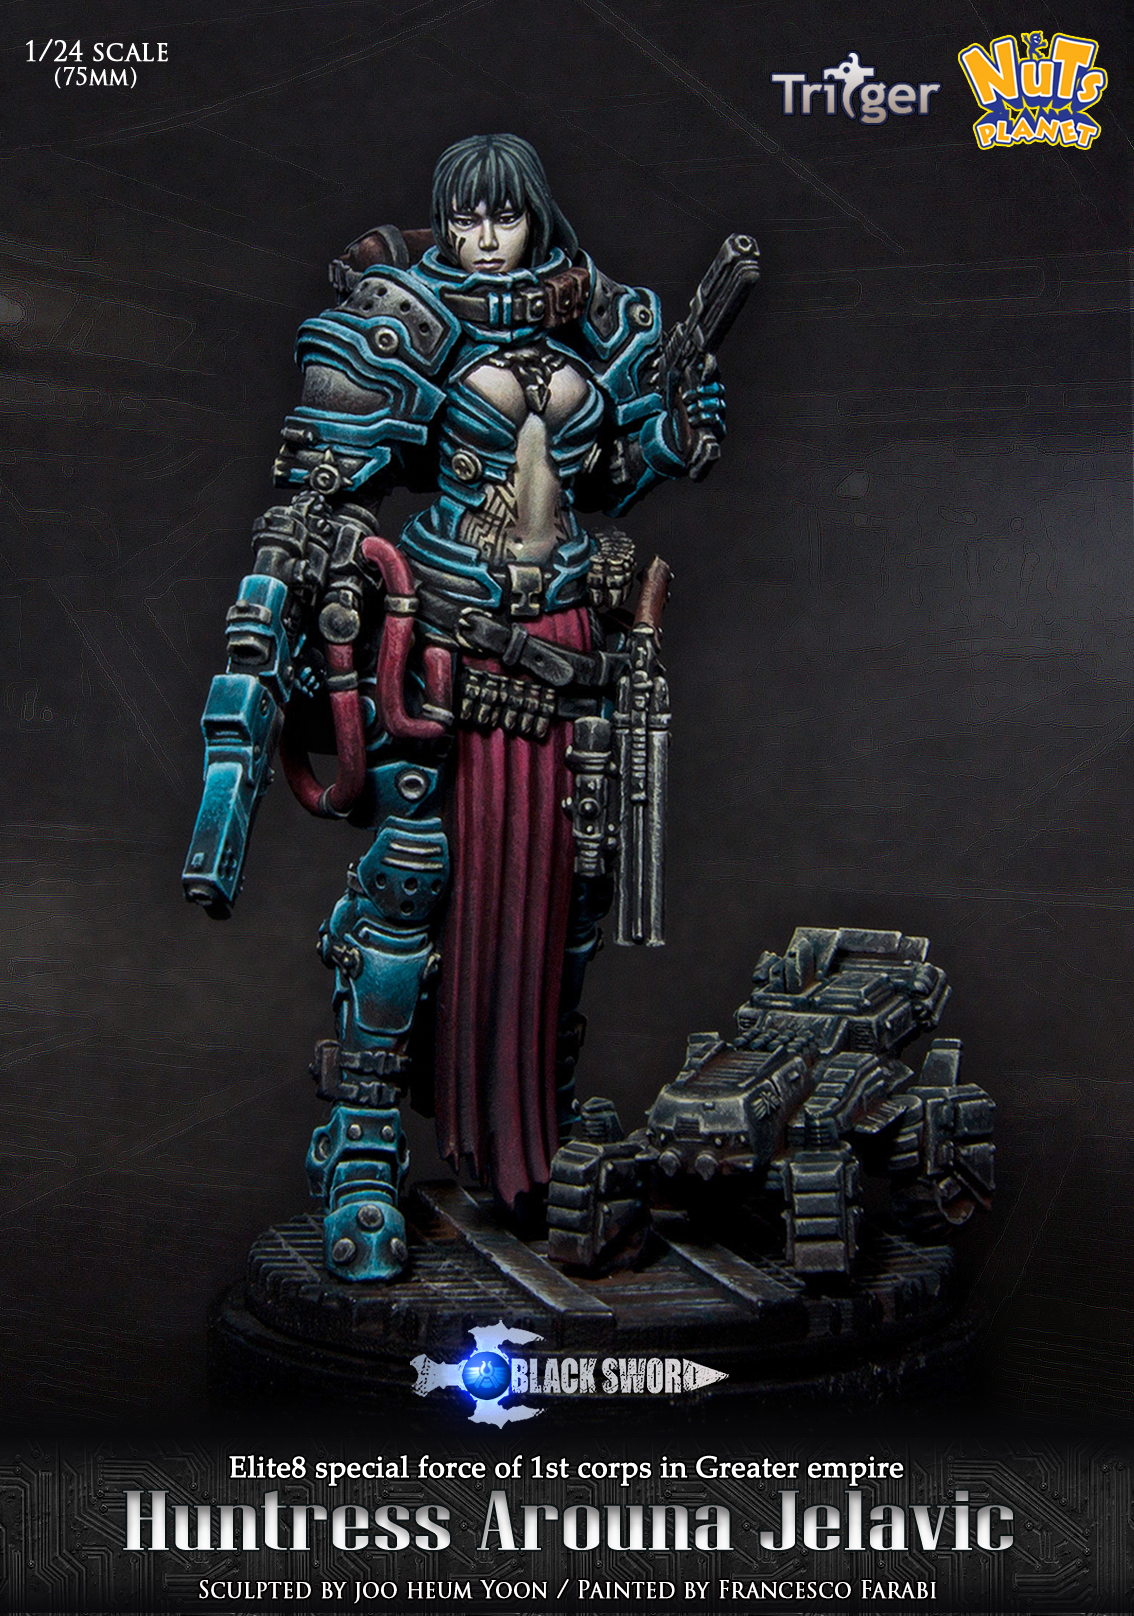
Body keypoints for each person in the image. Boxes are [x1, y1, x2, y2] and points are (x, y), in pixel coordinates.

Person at [185, 133, 726, 1282]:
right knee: (407, 889)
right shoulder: (404, 319)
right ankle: (364, 1150)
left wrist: (673, 433)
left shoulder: (603, 324)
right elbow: (322, 487)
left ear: (538, 217)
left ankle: (537, 1131)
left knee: (566, 902)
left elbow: (613, 470)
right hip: (443, 649)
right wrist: (290, 598)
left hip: (569, 649)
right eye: (465, 217)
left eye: (504, 216)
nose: (483, 239)